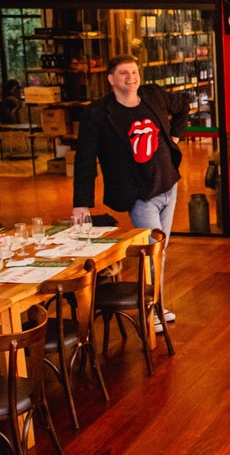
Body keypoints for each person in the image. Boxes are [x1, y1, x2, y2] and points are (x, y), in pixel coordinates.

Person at [73, 55, 188, 328]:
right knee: (151, 251)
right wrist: (81, 203)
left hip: (167, 184)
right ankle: (152, 311)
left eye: (134, 72)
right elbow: (85, 160)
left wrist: (175, 137)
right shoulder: (97, 114)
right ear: (111, 79)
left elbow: (183, 104)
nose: (131, 78)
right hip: (139, 195)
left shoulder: (152, 96)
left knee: (160, 250)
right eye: (124, 73)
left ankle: (156, 303)